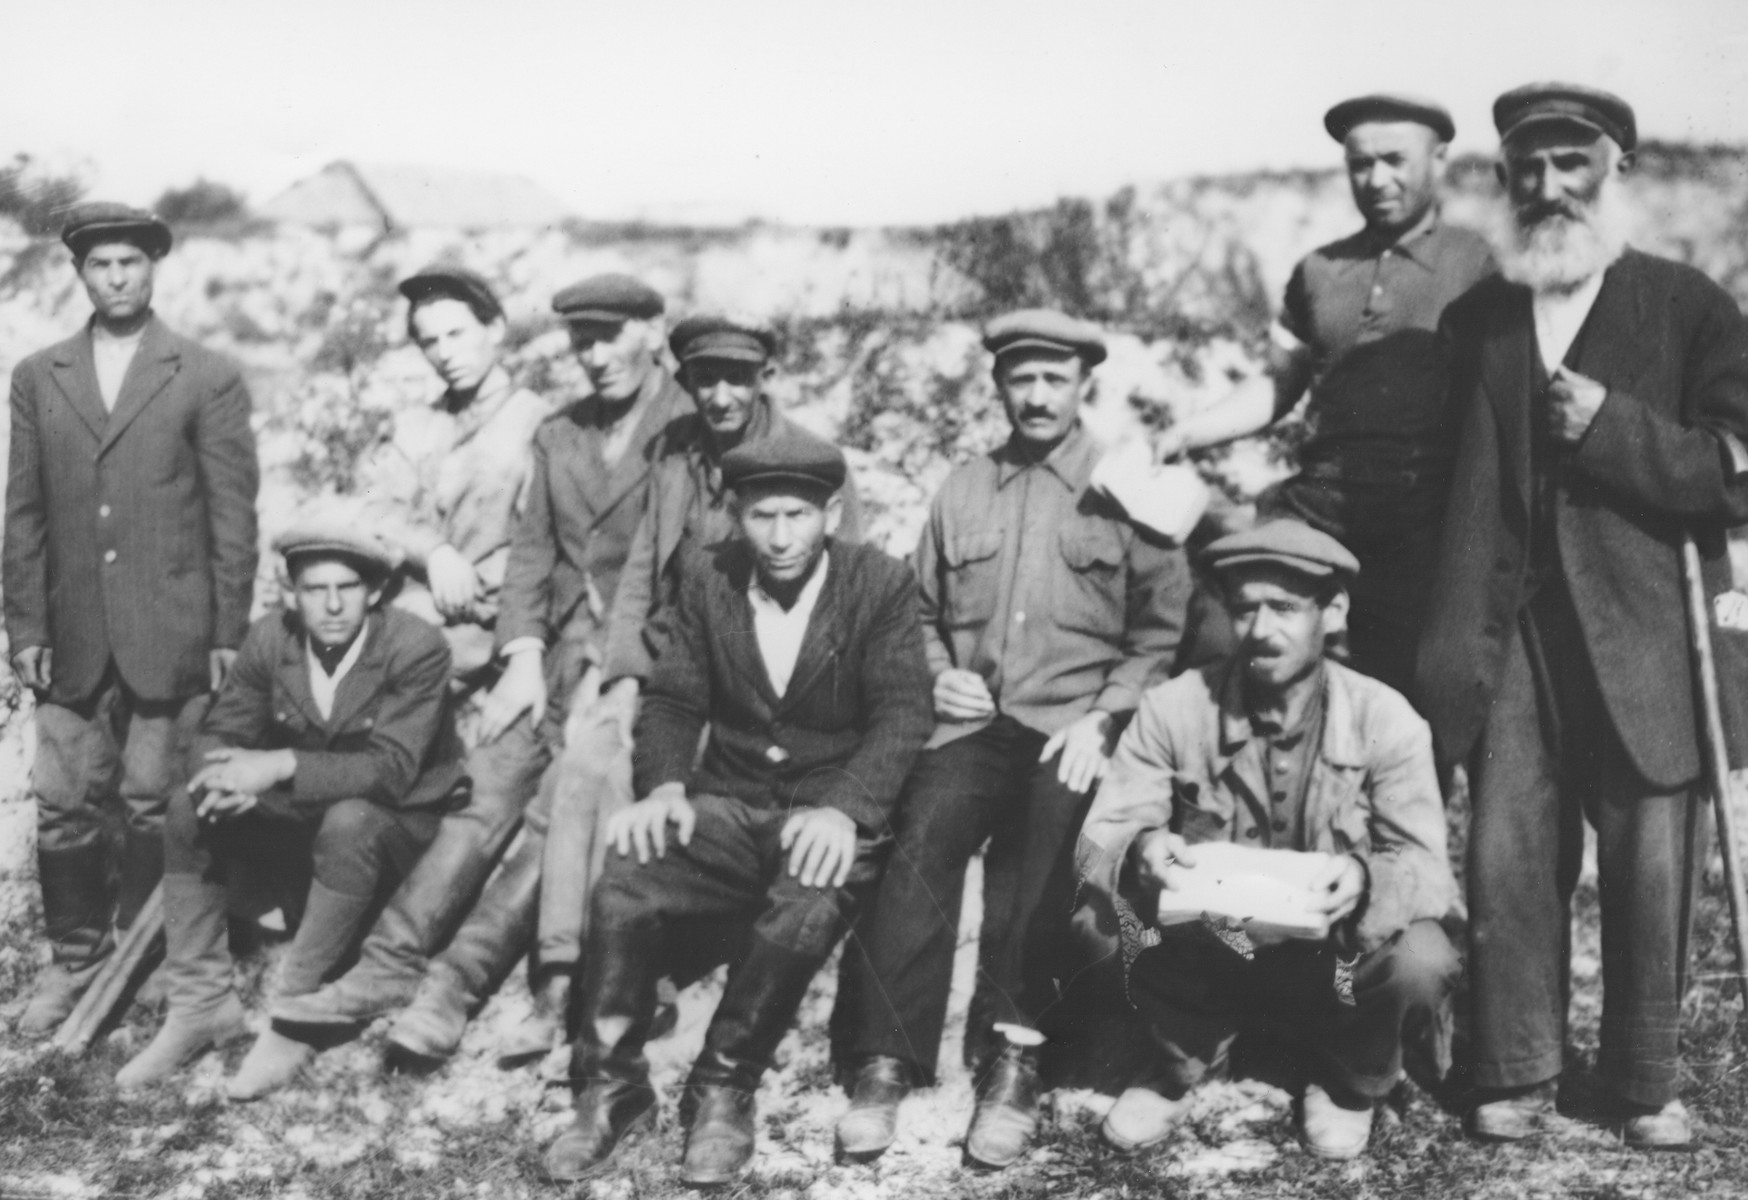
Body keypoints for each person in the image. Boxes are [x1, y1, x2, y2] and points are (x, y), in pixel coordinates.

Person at [381, 313, 862, 1066]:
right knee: (586, 761)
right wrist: (626, 676)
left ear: (766, 374)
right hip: (670, 670)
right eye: (705, 378)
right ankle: (557, 984)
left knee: (616, 787)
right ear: (687, 381)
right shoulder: (674, 453)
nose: (722, 394)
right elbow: (640, 576)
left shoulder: (802, 460)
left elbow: (840, 596)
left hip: (754, 691)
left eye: (739, 376)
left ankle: (562, 989)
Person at [1416, 84, 1748, 1150]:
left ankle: (1641, 1080)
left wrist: (1611, 427)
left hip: (1648, 626)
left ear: (1616, 174)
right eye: (1528, 166)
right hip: (1506, 626)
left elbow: (1732, 470)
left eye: (1573, 164)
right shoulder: (1475, 316)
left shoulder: (1686, 304)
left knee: (1651, 860)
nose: (1549, 187)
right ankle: (1510, 1067)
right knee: (1507, 852)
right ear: (1504, 178)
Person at [273, 275, 691, 1031]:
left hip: (647, 675)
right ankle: (388, 968)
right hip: (554, 658)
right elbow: (531, 555)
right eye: (580, 339)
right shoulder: (561, 432)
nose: (594, 356)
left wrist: (626, 673)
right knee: (486, 787)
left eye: (610, 336)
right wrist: (525, 653)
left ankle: (456, 986)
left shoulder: (690, 433)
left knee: (554, 803)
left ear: (655, 332)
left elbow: (684, 576)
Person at [830, 309, 1192, 1170]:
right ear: (998, 386)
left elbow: (1160, 633)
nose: (1036, 396)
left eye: (1053, 380)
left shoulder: (1125, 483)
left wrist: (1106, 719)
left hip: (1074, 724)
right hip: (976, 719)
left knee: (1044, 851)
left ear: (1082, 386)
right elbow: (914, 611)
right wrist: (935, 672)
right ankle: (886, 1061)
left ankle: (1015, 1058)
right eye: (1020, 379)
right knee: (922, 832)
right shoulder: (964, 486)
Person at [541, 431, 933, 1187]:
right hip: (726, 803)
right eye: (762, 517)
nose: (780, 537)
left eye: (797, 515)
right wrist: (662, 787)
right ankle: (611, 1088)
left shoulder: (878, 583)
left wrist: (846, 809)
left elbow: (902, 714)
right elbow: (675, 698)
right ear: (737, 515)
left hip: (823, 812)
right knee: (628, 871)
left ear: (830, 511)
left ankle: (724, 1087)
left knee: (810, 897)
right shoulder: (708, 575)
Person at [1073, 519, 1459, 1160]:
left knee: (1423, 956)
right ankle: (1179, 1061)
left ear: (1332, 612)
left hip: (1333, 962)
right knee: (1095, 922)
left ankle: (1345, 1076)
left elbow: (1426, 869)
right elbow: (1098, 840)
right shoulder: (1172, 708)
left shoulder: (1386, 719)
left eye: (1284, 608)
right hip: (1208, 954)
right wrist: (1141, 850)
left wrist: (1365, 879)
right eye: (1245, 608)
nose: (1260, 629)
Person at [5, 203, 259, 1035]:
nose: (116, 277)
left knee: (155, 801)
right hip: (72, 632)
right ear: (79, 274)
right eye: (100, 265)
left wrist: (226, 632)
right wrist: (27, 629)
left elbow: (233, 516)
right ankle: (77, 958)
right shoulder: (40, 376)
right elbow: (24, 514)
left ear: (155, 268)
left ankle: (149, 956)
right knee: (65, 800)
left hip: (171, 628)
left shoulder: (204, 373)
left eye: (130, 263)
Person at [1156, 94, 1494, 696]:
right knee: (1222, 632)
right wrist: (1189, 431)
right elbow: (1282, 381)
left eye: (1395, 160)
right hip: (1319, 505)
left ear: (1440, 159)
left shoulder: (1479, 262)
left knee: (1404, 696)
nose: (1377, 179)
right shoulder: (1319, 269)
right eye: (1360, 164)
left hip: (1423, 516)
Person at [114, 525, 465, 1093]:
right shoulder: (270, 639)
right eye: (314, 589)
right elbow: (221, 729)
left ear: (375, 591)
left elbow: (391, 770)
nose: (330, 605)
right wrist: (222, 777)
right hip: (310, 811)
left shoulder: (414, 644)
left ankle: (293, 1017)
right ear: (290, 593)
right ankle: (200, 1006)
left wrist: (276, 766)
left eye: (347, 587)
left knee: (349, 822)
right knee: (187, 808)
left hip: (397, 821)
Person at [354, 264, 549, 686]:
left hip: (483, 623)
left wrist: (460, 592)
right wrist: (436, 552)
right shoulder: (417, 424)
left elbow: (533, 546)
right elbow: (379, 507)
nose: (444, 353)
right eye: (430, 342)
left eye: (456, 334)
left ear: (494, 329)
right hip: (407, 611)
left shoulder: (536, 422)